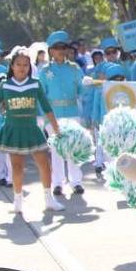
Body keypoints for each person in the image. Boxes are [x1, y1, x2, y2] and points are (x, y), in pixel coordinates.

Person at [0, 46, 63, 214]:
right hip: (13, 129)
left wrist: (57, 129)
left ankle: (48, 199)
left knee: (45, 165)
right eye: (18, 64)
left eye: (26, 65)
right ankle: (17, 201)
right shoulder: (5, 85)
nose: (22, 68)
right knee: (17, 167)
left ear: (30, 67)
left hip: (32, 129)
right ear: (12, 66)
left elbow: (47, 108)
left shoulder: (35, 84)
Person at [40, 30, 86, 201]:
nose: (60, 50)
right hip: (53, 115)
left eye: (63, 47)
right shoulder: (45, 72)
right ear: (51, 51)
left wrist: (89, 85)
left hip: (73, 113)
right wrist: (42, 118)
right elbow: (41, 96)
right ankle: (57, 183)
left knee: (73, 148)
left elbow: (82, 90)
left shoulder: (74, 69)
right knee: (56, 150)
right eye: (56, 48)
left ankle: (76, 182)